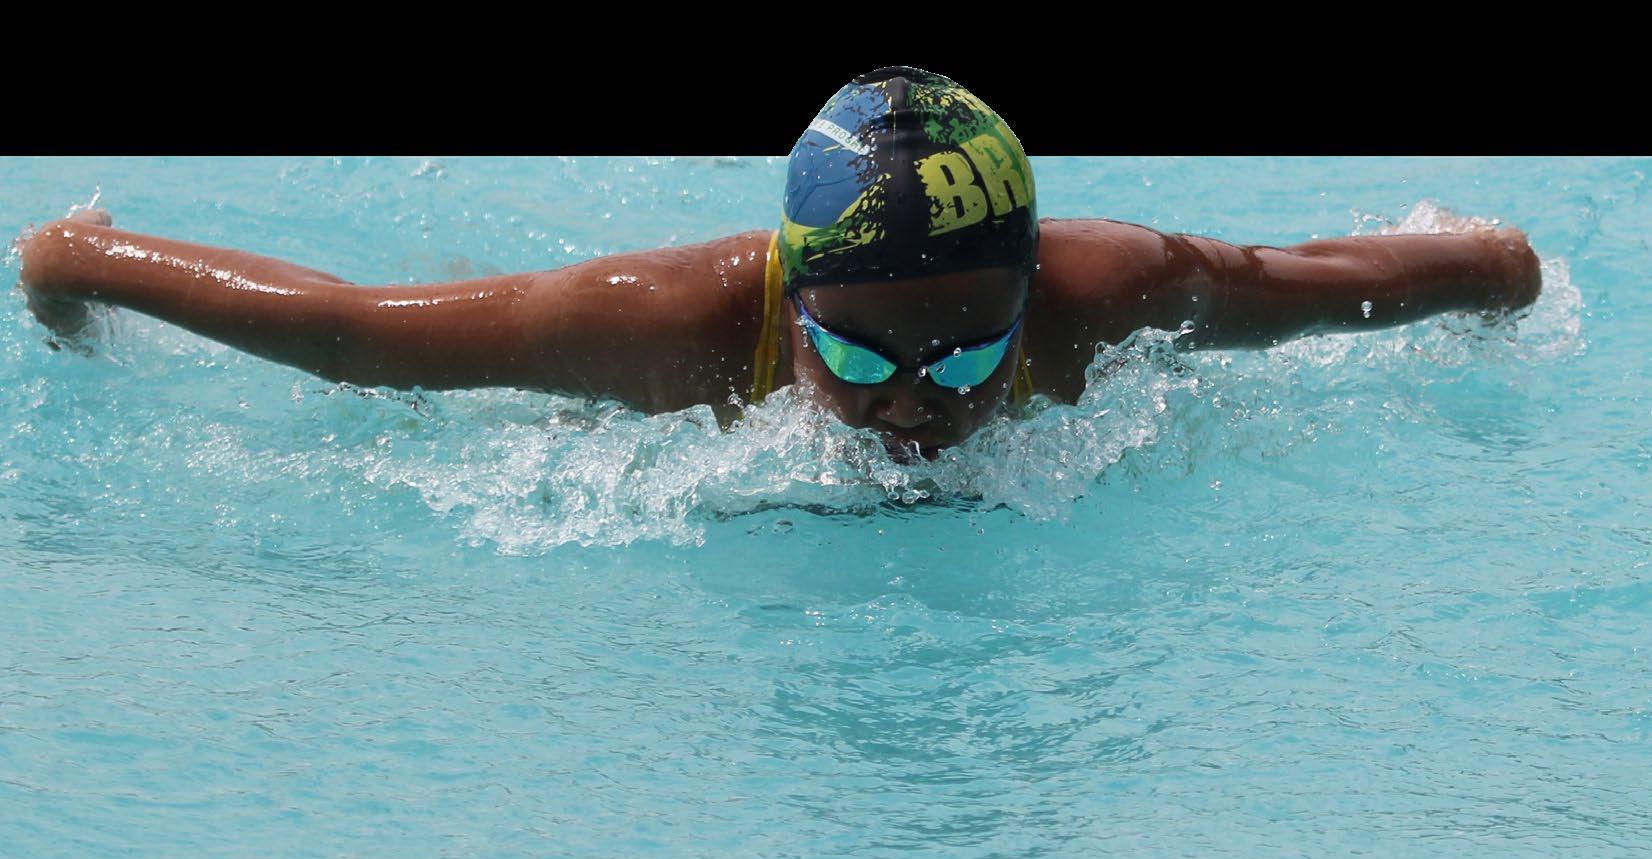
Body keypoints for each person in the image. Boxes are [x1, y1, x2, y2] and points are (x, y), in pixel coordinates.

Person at [15, 66, 1542, 460]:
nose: (916, 402)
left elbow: (1337, 281)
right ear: (793, 303)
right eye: (860, 356)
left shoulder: (1116, 294)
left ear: (1026, 300)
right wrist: (80, 257)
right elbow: (354, 333)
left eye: (966, 353)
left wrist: (1494, 268)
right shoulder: (665, 328)